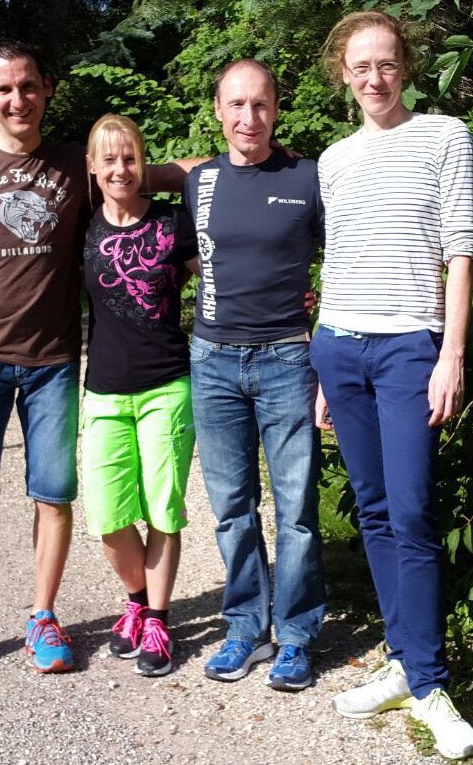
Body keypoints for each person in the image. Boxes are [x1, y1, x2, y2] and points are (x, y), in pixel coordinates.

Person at [0, 39, 192, 684]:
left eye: (28, 86)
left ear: (47, 87)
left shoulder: (78, 164)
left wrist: (256, 161)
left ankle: (43, 616)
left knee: (53, 497)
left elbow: (166, 172)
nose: (17, 99)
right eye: (4, 88)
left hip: (53, 362)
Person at [308, 11, 473, 759]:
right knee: (374, 511)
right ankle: (404, 662)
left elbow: (460, 249)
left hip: (411, 347)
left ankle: (429, 682)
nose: (373, 77)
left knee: (410, 510)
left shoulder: (445, 136)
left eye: (385, 63)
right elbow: (339, 255)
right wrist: (322, 374)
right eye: (360, 66)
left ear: (403, 66)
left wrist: (451, 355)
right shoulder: (333, 159)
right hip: (338, 347)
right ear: (342, 75)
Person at [182, 59, 326, 692]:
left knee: (296, 509)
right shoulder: (200, 181)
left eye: (261, 104)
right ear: (217, 110)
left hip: (287, 359)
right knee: (231, 508)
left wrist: (321, 318)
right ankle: (245, 627)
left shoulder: (308, 177)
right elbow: (179, 256)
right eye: (236, 104)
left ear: (276, 109)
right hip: (212, 360)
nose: (249, 117)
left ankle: (295, 635)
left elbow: (343, 258)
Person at [81, 114, 198, 677]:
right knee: (107, 515)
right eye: (109, 159)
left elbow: (221, 277)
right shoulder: (81, 226)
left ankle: (157, 618)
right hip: (103, 390)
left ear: (143, 162)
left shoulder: (174, 222)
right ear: (92, 167)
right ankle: (135, 599)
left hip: (167, 385)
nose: (120, 169)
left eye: (129, 157)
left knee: (162, 510)